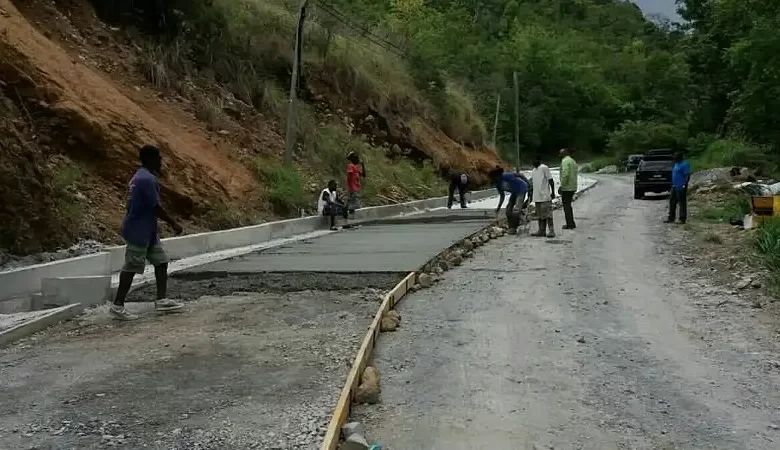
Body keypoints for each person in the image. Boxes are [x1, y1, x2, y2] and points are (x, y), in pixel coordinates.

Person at [111, 145, 184, 321]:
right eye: (159, 158)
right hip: (138, 229)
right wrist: (174, 223)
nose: (161, 162)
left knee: (161, 261)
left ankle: (162, 300)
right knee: (131, 267)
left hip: (147, 229)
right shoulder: (146, 179)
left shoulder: (140, 177)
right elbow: (156, 206)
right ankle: (117, 306)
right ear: (151, 160)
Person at [489, 167, 529, 235]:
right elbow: (502, 196)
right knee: (508, 210)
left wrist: (528, 183)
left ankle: (514, 228)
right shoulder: (498, 184)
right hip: (514, 192)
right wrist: (498, 208)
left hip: (521, 189)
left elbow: (520, 175)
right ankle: (512, 226)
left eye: (495, 178)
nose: (495, 179)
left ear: (498, 176)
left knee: (516, 210)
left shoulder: (506, 176)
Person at [530, 158, 556, 238]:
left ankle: (551, 231)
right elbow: (533, 182)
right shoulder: (534, 170)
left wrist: (553, 192)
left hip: (545, 195)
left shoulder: (544, 168)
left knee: (548, 214)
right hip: (537, 196)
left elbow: (551, 180)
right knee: (540, 215)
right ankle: (541, 230)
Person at [666, 152, 691, 224]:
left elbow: (687, 175)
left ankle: (682, 219)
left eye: (676, 157)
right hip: (674, 186)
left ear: (680, 157)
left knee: (682, 202)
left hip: (681, 186)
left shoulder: (684, 164)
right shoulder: (676, 164)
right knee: (672, 201)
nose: (674, 158)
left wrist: (684, 185)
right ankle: (671, 218)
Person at [559, 148, 579, 229]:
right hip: (573, 186)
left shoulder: (565, 161)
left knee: (566, 206)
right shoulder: (573, 161)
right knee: (568, 205)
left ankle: (569, 224)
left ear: (564, 153)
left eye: (560, 153)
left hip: (567, 187)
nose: (559, 155)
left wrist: (562, 185)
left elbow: (565, 174)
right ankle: (571, 223)